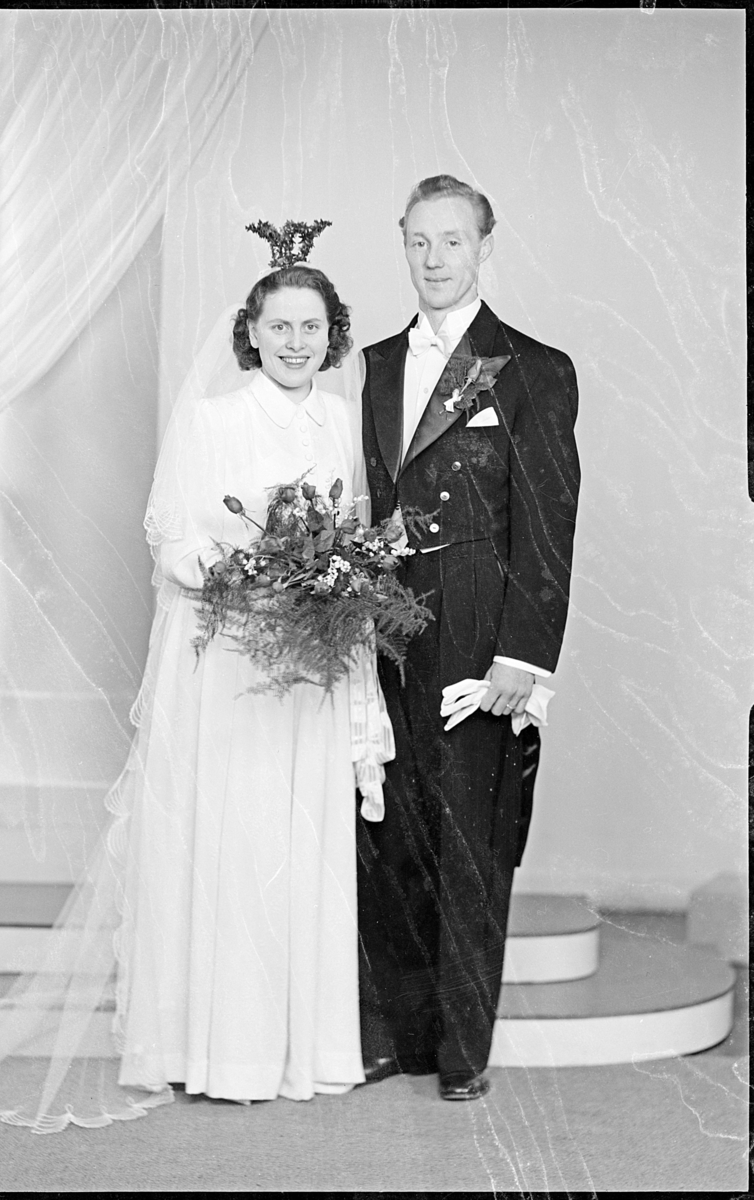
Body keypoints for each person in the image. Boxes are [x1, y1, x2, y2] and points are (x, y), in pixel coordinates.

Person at [0, 246, 394, 1129]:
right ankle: (214, 1047)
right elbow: (171, 534)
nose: (295, 342)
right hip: (228, 661)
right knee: (231, 839)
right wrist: (249, 579)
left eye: (311, 327)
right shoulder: (213, 418)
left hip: (312, 668)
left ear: (332, 335)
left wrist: (331, 588)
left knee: (300, 841)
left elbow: (357, 534)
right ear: (250, 333)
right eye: (279, 326)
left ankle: (302, 1048)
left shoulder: (341, 418)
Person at [356, 175, 580, 1100]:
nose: (434, 258)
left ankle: (460, 1056)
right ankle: (404, 1041)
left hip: (479, 639)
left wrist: (521, 659)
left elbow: (547, 523)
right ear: (402, 245)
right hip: (384, 635)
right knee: (391, 839)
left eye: (451, 240)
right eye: (418, 241)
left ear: (484, 246)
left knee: (470, 847)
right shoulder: (372, 363)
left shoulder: (532, 367)